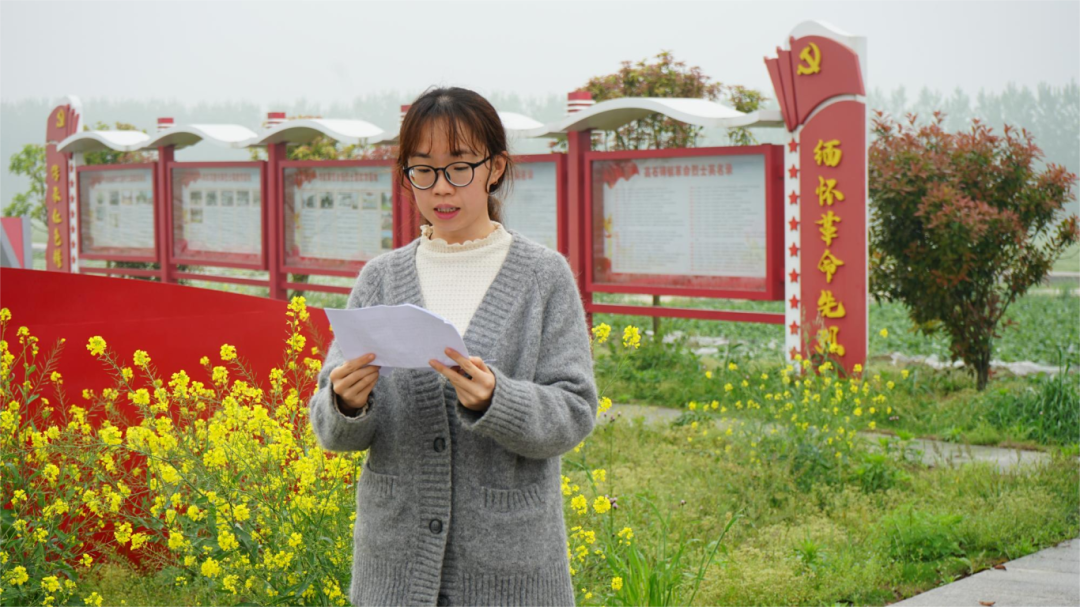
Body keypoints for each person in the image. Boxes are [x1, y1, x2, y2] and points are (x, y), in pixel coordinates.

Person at [308, 86, 598, 607]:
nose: (441, 188)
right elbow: (332, 431)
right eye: (423, 169)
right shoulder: (380, 279)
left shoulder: (543, 277)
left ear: (495, 167)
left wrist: (497, 400)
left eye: (460, 167)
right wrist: (345, 403)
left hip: (510, 572)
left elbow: (575, 411)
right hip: (393, 569)